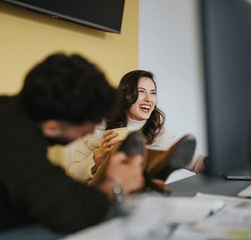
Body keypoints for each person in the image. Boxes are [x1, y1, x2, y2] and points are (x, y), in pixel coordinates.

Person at [0, 53, 145, 240]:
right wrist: (114, 185)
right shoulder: (7, 132)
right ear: (52, 126)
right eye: (87, 126)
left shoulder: (0, 110)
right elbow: (67, 209)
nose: (90, 130)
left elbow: (48, 186)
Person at [68, 70, 207, 185]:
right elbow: (73, 175)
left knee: (159, 160)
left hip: (141, 199)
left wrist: (213, 162)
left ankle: (152, 160)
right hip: (102, 197)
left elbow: (192, 161)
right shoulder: (97, 128)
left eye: (153, 93)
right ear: (126, 95)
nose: (149, 98)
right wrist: (100, 153)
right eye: (142, 91)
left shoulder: (158, 132)